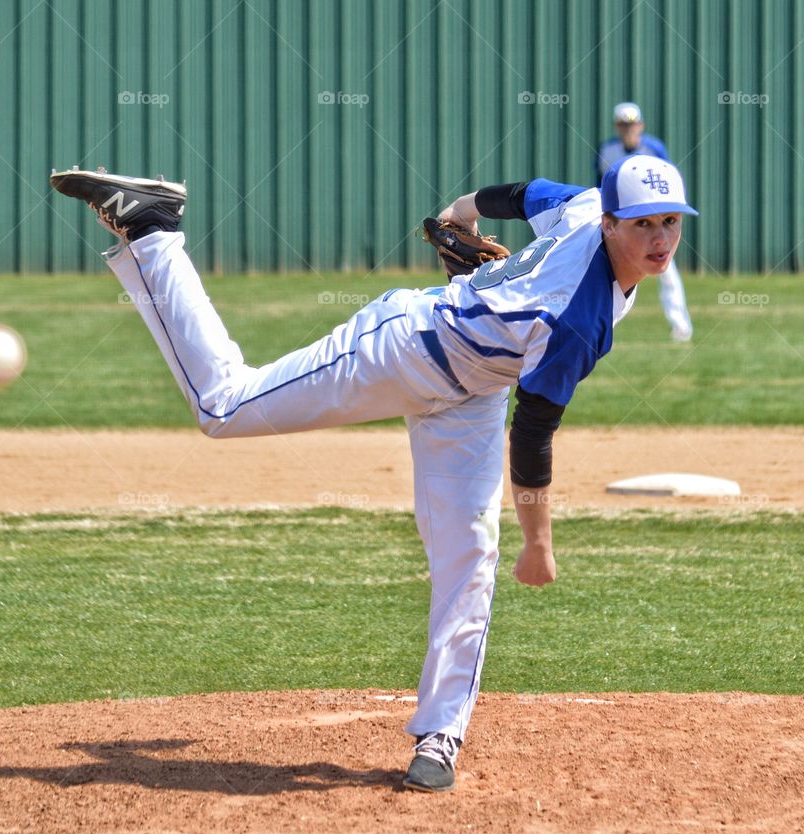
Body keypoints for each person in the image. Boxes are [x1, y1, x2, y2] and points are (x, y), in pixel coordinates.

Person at [50, 154, 697, 793]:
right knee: (224, 406)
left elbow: (520, 195)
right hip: (407, 348)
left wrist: (455, 213)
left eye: (670, 221)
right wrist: (541, 543)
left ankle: (441, 734)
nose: (660, 238)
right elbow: (531, 440)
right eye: (642, 223)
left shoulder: (583, 205)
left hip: (474, 396)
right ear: (610, 219)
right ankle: (153, 229)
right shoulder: (577, 322)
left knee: (470, 551)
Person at [597, 102, 694, 342]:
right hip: (622, 222)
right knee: (606, 274)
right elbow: (599, 187)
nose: (628, 129)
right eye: (623, 124)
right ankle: (601, 326)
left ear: (640, 125)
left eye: (632, 123)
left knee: (667, 273)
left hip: (653, 221)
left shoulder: (653, 148)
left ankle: (681, 328)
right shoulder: (607, 150)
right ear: (617, 127)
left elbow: (669, 182)